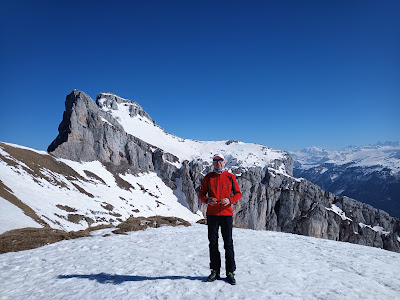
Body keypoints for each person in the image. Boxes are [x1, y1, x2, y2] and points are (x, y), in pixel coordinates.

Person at [199, 154, 242, 285]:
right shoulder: (208, 177)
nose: (218, 163)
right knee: (213, 243)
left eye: (220, 161)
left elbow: (238, 193)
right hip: (212, 215)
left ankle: (230, 272)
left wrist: (229, 200)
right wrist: (207, 200)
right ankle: (215, 271)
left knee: (228, 243)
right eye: (215, 161)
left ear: (224, 162)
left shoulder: (230, 177)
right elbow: (201, 194)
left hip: (226, 214)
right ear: (213, 163)